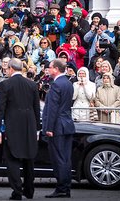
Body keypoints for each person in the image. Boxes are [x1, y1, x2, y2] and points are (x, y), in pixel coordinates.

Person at [0, 58, 41, 200]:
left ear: (10, 69)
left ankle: (17, 191)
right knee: (29, 159)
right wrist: (38, 129)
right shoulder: (32, 85)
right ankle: (29, 190)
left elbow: (0, 108)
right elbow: (36, 108)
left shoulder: (5, 84)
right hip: (29, 125)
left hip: (13, 125)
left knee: (12, 159)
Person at [42, 59, 74, 198]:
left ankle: (61, 187)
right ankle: (66, 187)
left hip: (57, 126)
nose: (48, 70)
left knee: (59, 158)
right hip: (67, 124)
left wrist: (49, 128)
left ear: (56, 69)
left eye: (49, 68)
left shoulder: (56, 84)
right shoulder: (68, 83)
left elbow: (53, 108)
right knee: (66, 158)